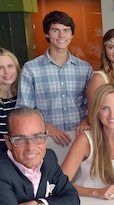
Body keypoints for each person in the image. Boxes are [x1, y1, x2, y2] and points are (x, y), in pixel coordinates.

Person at [16, 11, 93, 162]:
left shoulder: (85, 69)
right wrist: (47, 127)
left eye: (66, 30)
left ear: (72, 35)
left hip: (80, 138)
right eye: (55, 30)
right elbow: (23, 111)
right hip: (46, 140)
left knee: (80, 182)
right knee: (50, 183)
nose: (61, 35)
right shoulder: (31, 69)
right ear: (46, 34)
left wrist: (86, 121)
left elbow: (93, 104)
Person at [62, 84, 114, 199]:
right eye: (104, 108)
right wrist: (96, 192)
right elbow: (60, 184)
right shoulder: (85, 140)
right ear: (97, 112)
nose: (112, 114)